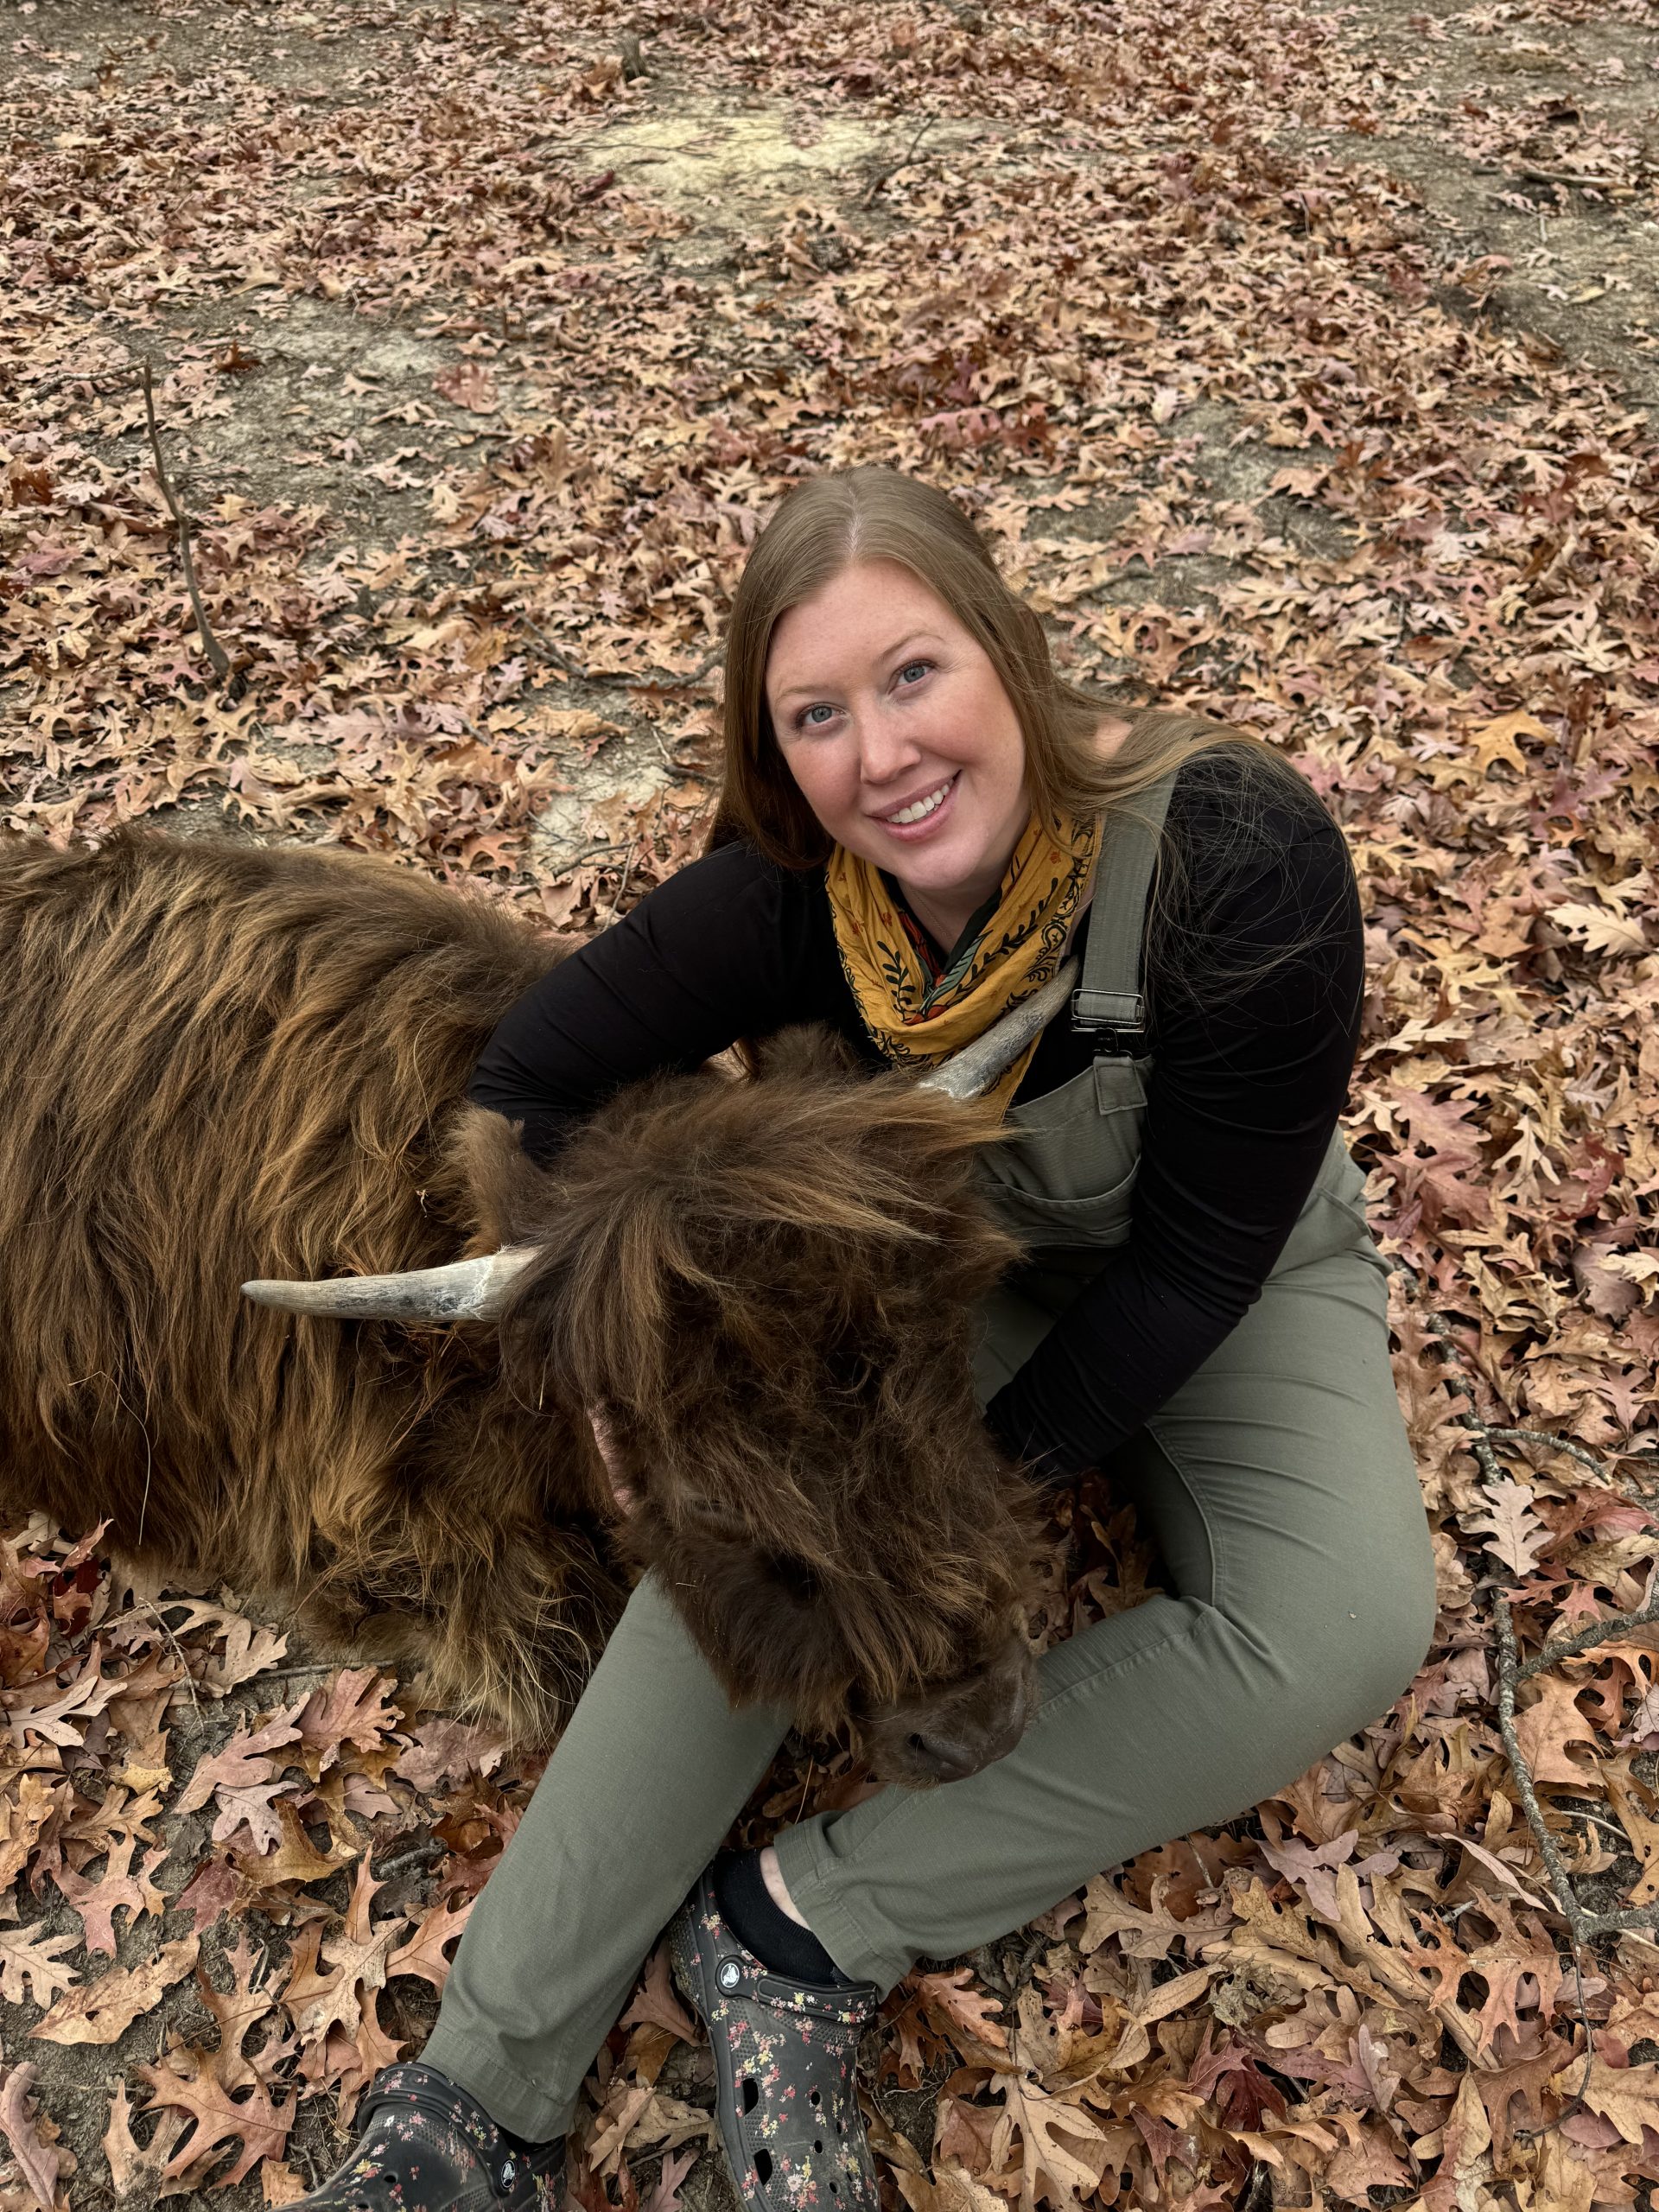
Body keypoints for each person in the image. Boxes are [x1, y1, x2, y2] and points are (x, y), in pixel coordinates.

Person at [295, 467, 1436, 2212]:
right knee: (759, 1517)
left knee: (1347, 1626)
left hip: (1226, 1263)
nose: (881, 757)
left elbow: (1197, 1273)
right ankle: (477, 2088)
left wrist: (942, 1497)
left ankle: (805, 1924)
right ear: (776, 753)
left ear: (1007, 649)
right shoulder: (790, 894)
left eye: (914, 675)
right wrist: (632, 1362)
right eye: (815, 715)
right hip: (942, 1270)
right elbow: (525, 1081)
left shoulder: (1237, 858)